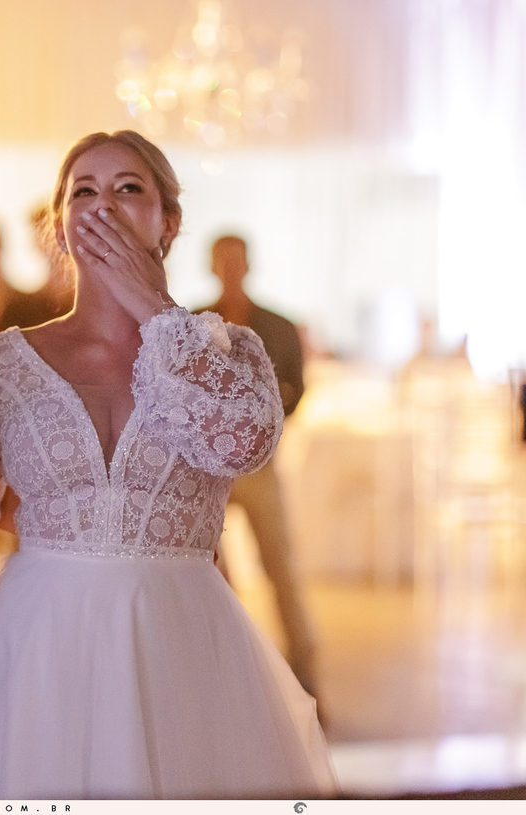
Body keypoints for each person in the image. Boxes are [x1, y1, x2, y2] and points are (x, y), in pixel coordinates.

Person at [0, 130, 336, 799]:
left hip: (178, 636)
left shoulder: (228, 350)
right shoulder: (1, 358)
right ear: (60, 227)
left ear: (169, 222)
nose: (103, 206)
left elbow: (245, 443)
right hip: (34, 641)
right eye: (83, 192)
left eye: (129, 188)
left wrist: (155, 308)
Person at [195, 234, 320, 696]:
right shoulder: (193, 322)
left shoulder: (279, 326)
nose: (230, 268)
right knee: (210, 574)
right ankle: (227, 674)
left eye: (237, 260)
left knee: (281, 570)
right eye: (222, 261)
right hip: (208, 472)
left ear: (248, 264)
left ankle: (306, 675)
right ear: (212, 265)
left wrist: (257, 420)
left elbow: (298, 392)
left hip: (262, 467)